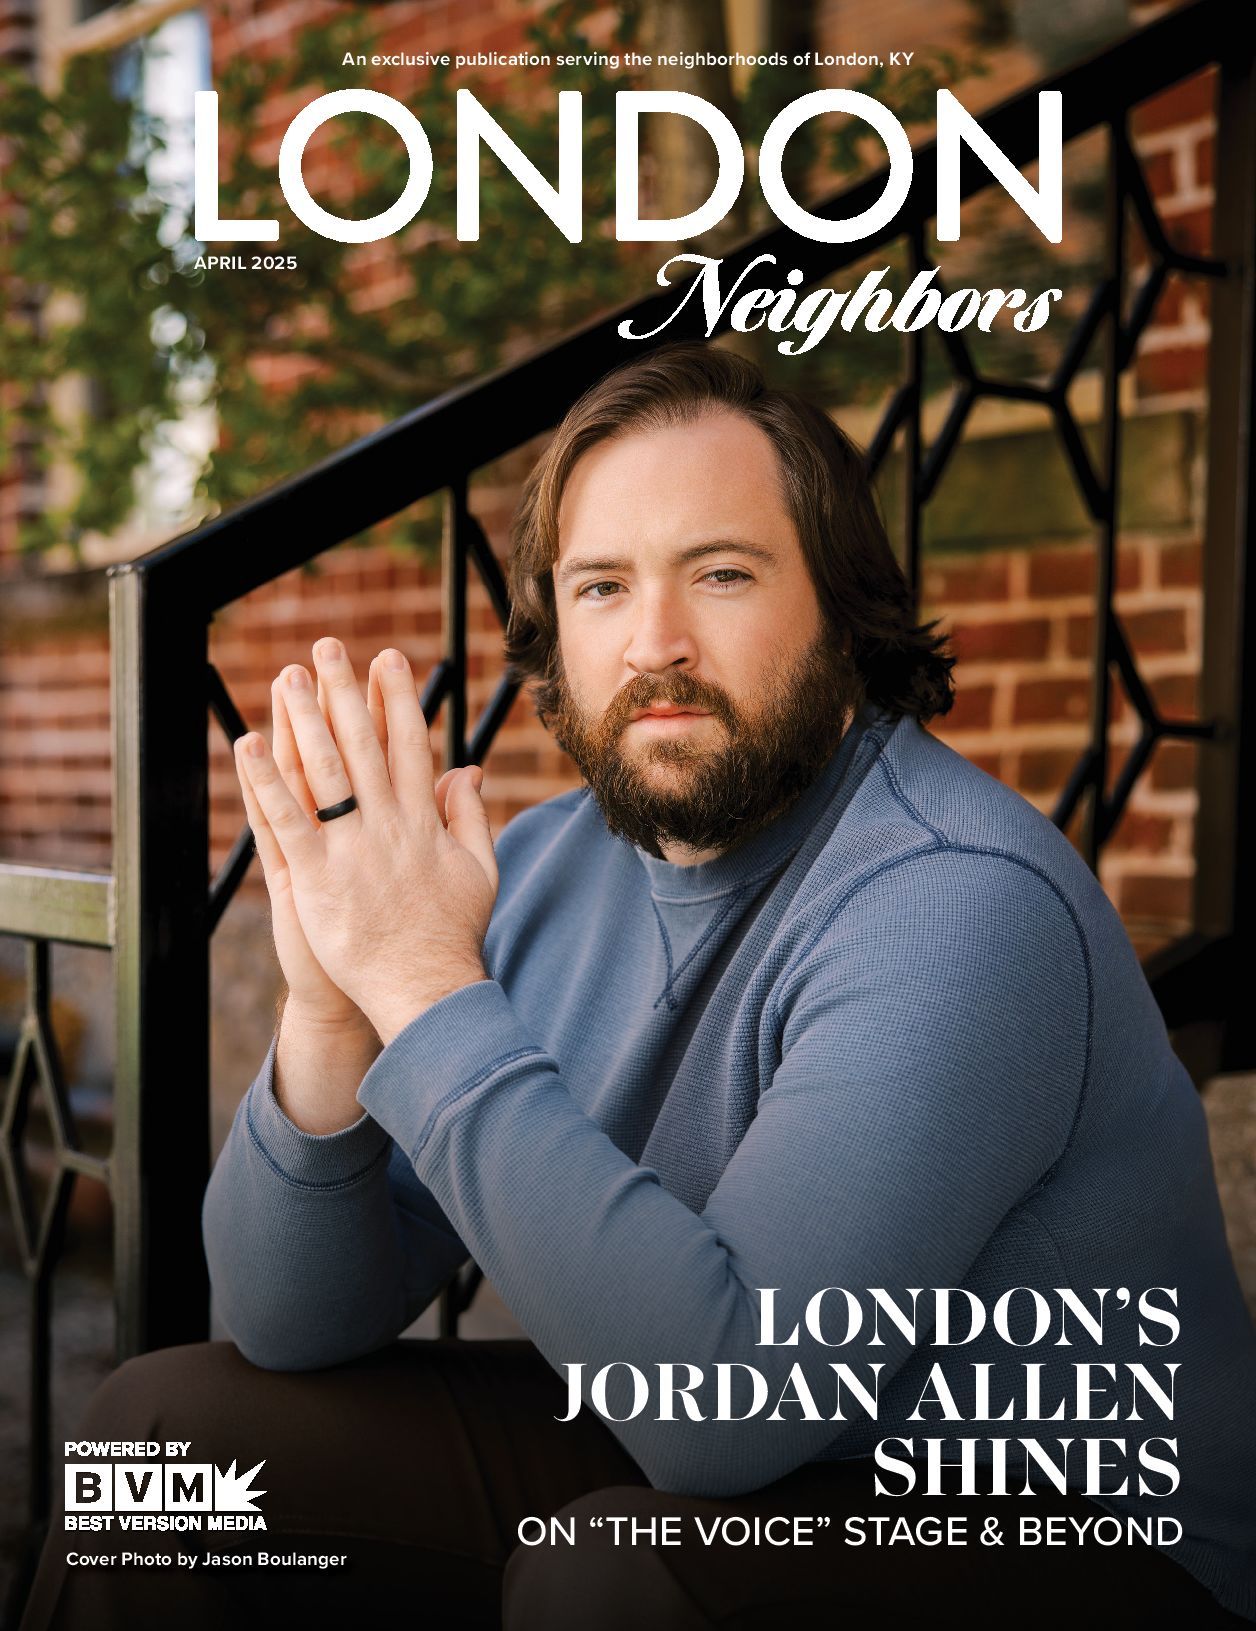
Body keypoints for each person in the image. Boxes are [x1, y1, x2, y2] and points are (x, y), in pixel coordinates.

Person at [21, 346, 1256, 1630]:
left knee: (614, 1570)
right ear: (556, 634)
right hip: (739, 1461)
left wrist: (426, 986)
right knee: (167, 1444)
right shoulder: (543, 871)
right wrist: (335, 1003)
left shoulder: (956, 901)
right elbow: (285, 1319)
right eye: (602, 585)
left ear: (841, 612)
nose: (654, 642)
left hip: (1076, 1529)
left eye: (721, 573)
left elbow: (728, 1409)